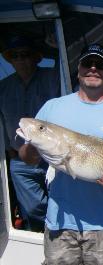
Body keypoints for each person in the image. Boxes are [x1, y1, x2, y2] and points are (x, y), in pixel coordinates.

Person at [19, 43, 103, 265]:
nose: (93, 69)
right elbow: (28, 159)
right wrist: (33, 143)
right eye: (88, 63)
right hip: (60, 225)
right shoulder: (52, 108)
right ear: (78, 69)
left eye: (100, 65)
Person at [0, 35, 60, 231]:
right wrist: (9, 150)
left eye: (25, 54)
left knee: (62, 202)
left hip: (51, 157)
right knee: (32, 209)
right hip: (19, 160)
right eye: (15, 56)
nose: (20, 59)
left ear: (36, 57)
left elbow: (69, 70)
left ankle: (59, 232)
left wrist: (58, 47)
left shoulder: (52, 77)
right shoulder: (3, 87)